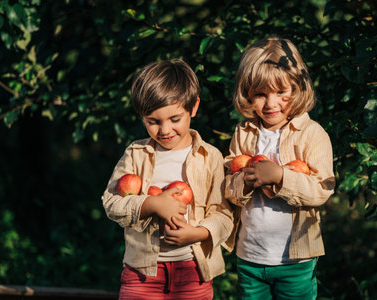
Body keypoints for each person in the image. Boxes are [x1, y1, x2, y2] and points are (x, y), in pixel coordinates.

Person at [102, 59, 233, 300]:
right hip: (142, 273)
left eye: (175, 119)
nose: (164, 130)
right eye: (153, 122)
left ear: (193, 108)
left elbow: (223, 214)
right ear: (142, 117)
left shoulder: (210, 157)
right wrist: (150, 204)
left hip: (193, 272)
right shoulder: (136, 154)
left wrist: (199, 233)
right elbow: (111, 204)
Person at [224, 37, 335, 300]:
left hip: (294, 260)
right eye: (261, 94)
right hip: (250, 255)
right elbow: (228, 183)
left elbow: (322, 189)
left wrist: (281, 176)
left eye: (281, 92)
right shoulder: (244, 133)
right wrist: (246, 182)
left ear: (297, 88)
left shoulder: (311, 134)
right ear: (247, 93)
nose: (270, 103)